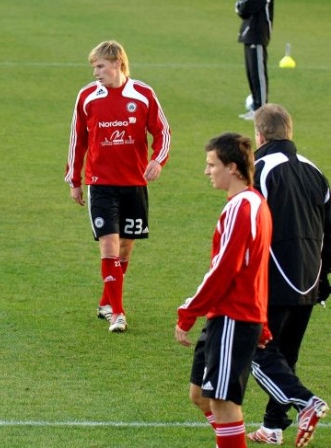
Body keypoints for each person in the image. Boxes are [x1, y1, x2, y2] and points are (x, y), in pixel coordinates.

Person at [64, 40, 171, 333]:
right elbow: (78, 141)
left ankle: (106, 301)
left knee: (124, 248)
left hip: (134, 184)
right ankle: (118, 313)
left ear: (117, 64)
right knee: (109, 245)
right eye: (94, 67)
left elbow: (163, 132)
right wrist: (74, 180)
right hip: (100, 184)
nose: (95, 72)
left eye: (100, 66)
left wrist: (158, 161)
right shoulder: (87, 96)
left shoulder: (144, 94)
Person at [176, 132, 272, 448]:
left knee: (223, 403)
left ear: (232, 167)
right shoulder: (249, 204)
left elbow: (225, 270)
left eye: (211, 164)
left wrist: (188, 312)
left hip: (234, 316)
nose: (207, 171)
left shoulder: (242, 209)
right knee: (200, 397)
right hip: (230, 315)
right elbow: (254, 269)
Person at [245, 104, 329, 446]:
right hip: (311, 275)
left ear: (260, 135)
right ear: (289, 131)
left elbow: (250, 226)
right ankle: (273, 425)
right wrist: (323, 277)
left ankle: (306, 402)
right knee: (286, 353)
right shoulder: (314, 170)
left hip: (274, 275)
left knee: (254, 349)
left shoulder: (259, 168)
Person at [236, 0, 274, 120]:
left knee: (258, 75)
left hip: (258, 34)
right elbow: (241, 9)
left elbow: (247, 7)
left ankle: (261, 110)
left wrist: (241, 7)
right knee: (251, 73)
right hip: (248, 33)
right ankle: (255, 108)